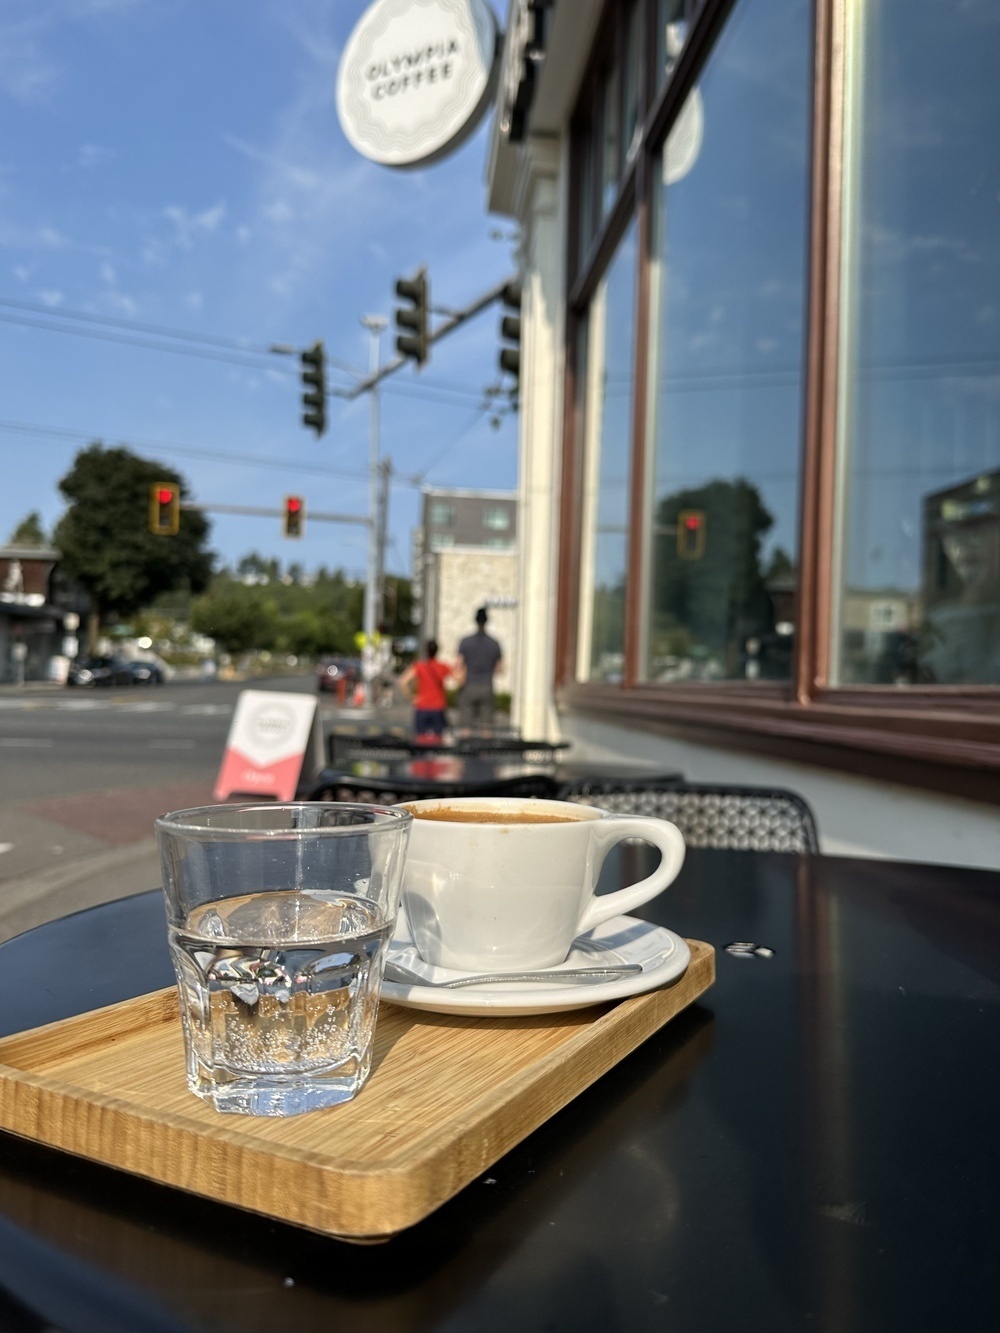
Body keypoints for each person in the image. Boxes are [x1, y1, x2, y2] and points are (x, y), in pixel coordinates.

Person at [456, 606, 502, 729]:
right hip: (486, 686)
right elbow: (499, 669)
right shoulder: (494, 643)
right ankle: (486, 749)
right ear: (487, 621)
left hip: (469, 685)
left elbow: (459, 666)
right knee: (486, 727)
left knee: (465, 726)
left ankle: (466, 748)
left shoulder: (465, 642)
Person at [398, 640, 455, 738]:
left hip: (422, 706)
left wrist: (411, 697)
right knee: (438, 738)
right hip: (438, 706)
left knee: (420, 738)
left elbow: (403, 681)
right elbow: (459, 678)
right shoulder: (442, 666)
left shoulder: (419, 666)